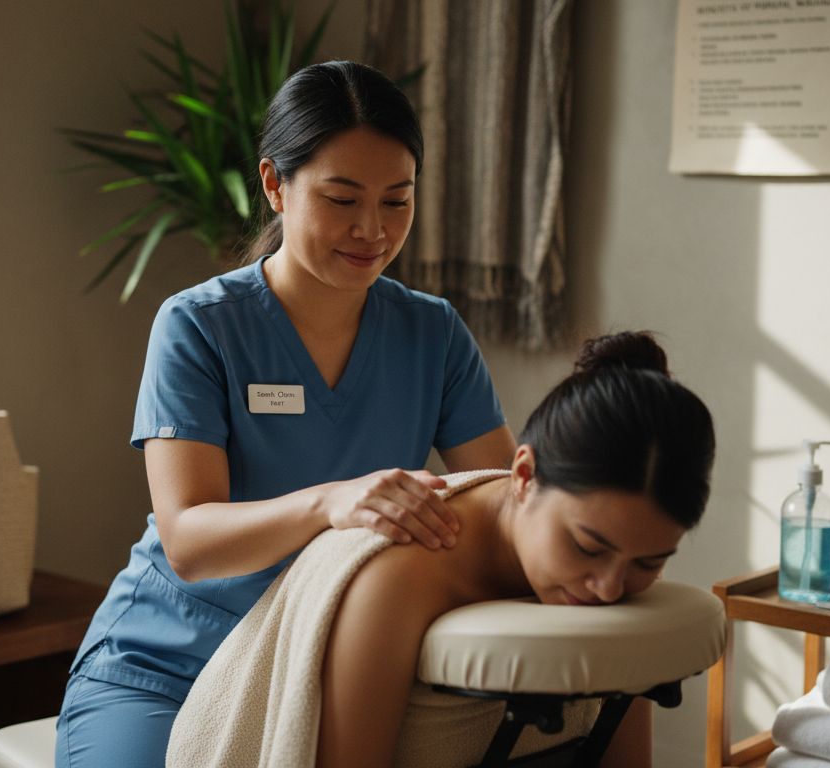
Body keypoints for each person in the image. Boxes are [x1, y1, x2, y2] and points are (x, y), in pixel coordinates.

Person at [56, 60, 516, 768]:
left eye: (398, 201)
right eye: (342, 199)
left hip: (324, 666)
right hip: (166, 664)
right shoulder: (200, 326)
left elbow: (500, 503)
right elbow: (189, 539)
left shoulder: (433, 334)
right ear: (275, 184)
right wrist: (332, 502)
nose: (373, 230)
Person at [162, 331, 717, 768]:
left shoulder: (618, 570)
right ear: (523, 475)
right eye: (586, 547)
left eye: (649, 562)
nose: (609, 588)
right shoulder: (399, 574)